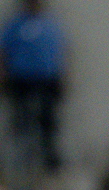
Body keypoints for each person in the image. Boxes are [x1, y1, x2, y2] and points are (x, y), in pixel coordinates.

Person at [0, 0, 66, 170]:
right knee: (21, 119)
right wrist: (4, 75)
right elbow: (4, 50)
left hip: (45, 79)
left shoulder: (49, 24)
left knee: (47, 119)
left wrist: (60, 77)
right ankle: (21, 156)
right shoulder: (15, 25)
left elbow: (59, 51)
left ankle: (49, 155)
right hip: (20, 78)